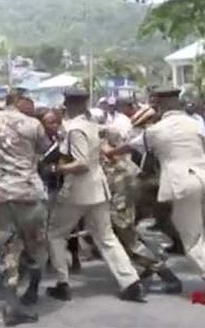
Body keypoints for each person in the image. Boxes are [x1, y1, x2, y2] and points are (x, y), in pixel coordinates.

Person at [106, 88, 205, 296]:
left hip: (182, 184)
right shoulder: (195, 124)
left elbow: (131, 147)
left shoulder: (157, 130)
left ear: (159, 106)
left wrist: (110, 152)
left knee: (191, 239)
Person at [46, 88, 146, 303]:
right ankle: (131, 282)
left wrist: (57, 169)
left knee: (55, 234)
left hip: (77, 190)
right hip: (98, 188)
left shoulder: (74, 129)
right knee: (106, 237)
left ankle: (62, 282)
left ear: (68, 104)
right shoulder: (92, 126)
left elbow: (81, 163)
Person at [0, 91, 51, 326]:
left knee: (7, 248)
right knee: (36, 243)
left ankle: (12, 304)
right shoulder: (33, 124)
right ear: (19, 101)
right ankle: (32, 290)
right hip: (26, 192)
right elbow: (46, 150)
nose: (31, 106)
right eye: (29, 102)